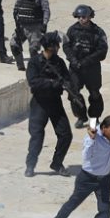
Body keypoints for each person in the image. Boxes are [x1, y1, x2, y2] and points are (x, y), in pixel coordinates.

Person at [45, 116, 110, 218]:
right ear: (103, 129)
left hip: (104, 179)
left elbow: (93, 116)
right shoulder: (92, 138)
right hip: (87, 178)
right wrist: (91, 139)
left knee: (105, 211)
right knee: (72, 204)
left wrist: (92, 123)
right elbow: (86, 157)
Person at [25, 32, 73, 177]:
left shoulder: (59, 62)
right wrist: (52, 83)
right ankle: (30, 165)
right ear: (50, 47)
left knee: (66, 135)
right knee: (37, 137)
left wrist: (70, 89)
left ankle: (57, 163)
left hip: (55, 102)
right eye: (56, 45)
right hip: (39, 103)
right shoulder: (34, 62)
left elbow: (67, 79)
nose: (58, 48)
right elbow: (33, 82)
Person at [64, 5, 108, 128]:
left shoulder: (98, 32)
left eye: (84, 17)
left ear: (89, 17)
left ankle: (94, 118)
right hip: (75, 67)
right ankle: (81, 116)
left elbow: (102, 51)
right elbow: (66, 46)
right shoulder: (72, 30)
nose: (82, 19)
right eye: (79, 17)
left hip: (91, 68)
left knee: (94, 93)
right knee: (73, 93)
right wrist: (73, 60)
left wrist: (86, 61)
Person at [10, 0, 50, 71]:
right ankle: (21, 66)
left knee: (33, 50)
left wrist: (44, 24)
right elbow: (16, 8)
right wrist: (17, 23)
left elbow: (46, 10)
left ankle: (35, 69)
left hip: (35, 27)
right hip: (22, 26)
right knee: (14, 44)